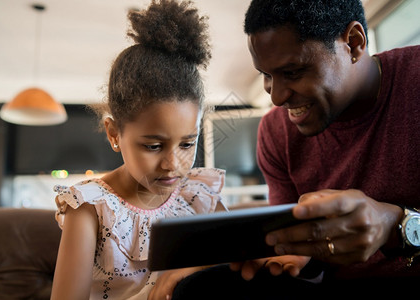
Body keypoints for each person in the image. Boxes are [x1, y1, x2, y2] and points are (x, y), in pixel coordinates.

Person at [171, 0, 420, 298]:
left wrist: (397, 226)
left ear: (353, 44)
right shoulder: (277, 132)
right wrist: (292, 252)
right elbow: (305, 262)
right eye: (266, 75)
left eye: (293, 72)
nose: (276, 97)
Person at [50, 1, 226, 299]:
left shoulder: (198, 195)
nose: (173, 164)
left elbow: (234, 263)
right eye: (153, 146)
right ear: (114, 132)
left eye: (187, 143)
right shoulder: (91, 209)